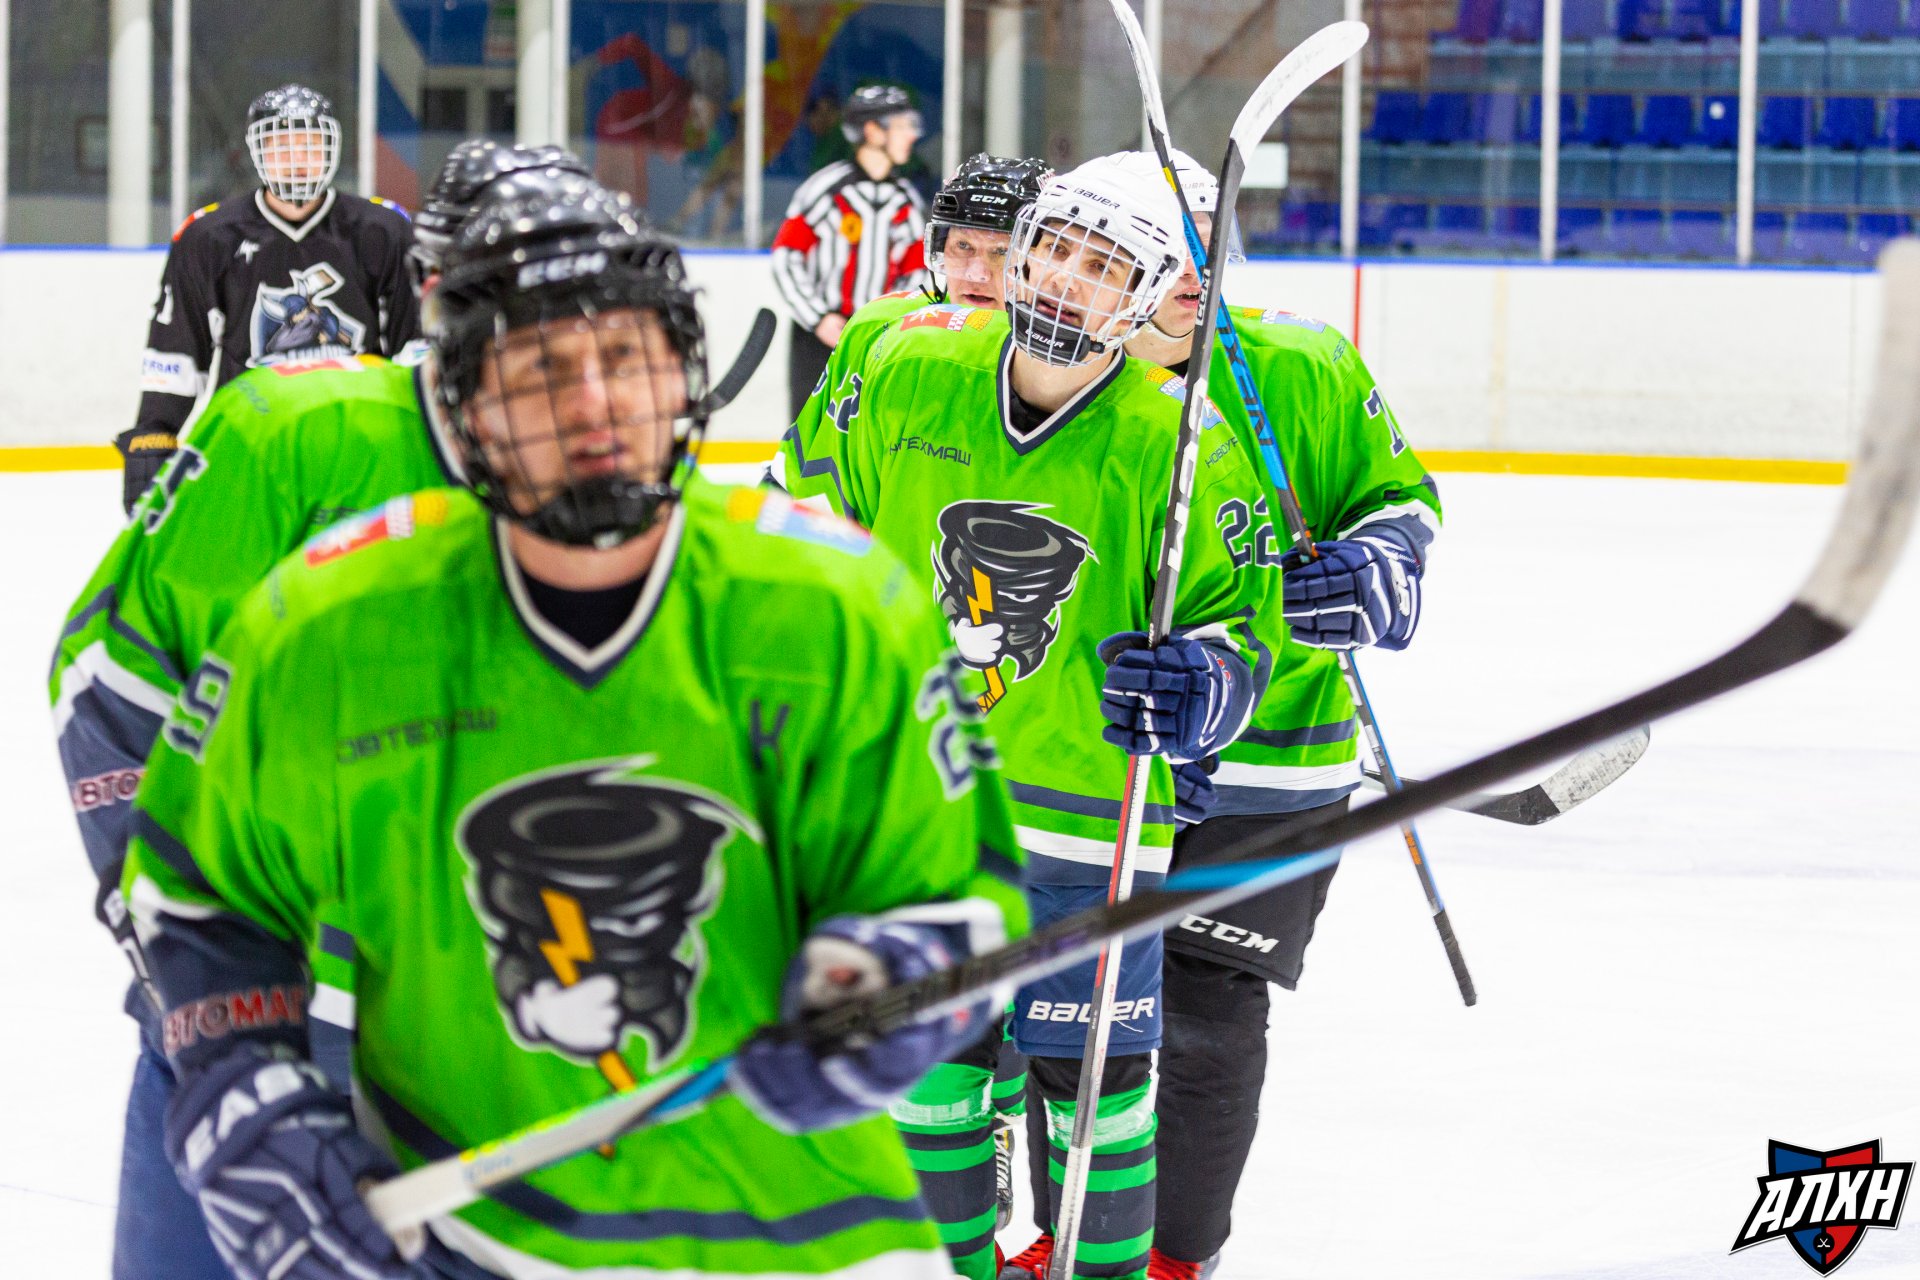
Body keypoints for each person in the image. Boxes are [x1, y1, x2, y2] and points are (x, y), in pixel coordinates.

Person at [117, 169, 1026, 1280]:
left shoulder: (840, 606)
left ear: (683, 372)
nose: (594, 404)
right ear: (465, 406)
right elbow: (201, 897)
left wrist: (892, 975)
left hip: (811, 1242)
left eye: (626, 358)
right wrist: (250, 1102)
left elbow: (953, 891)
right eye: (541, 370)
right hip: (473, 1238)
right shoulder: (329, 621)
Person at [49, 139, 587, 1280]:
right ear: (431, 287)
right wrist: (184, 942)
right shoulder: (292, 434)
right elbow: (113, 678)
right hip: (245, 1023)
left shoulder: (620, 487)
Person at [810, 153, 1277, 1280]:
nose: (1067, 279)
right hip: (921, 812)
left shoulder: (1181, 442)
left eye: (1102, 265)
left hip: (1087, 831)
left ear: (1145, 295)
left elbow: (1243, 630)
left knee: (1094, 1098)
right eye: (1055, 250)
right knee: (932, 1080)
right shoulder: (905, 364)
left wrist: (1200, 684)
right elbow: (809, 524)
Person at [1119, 151, 1441, 1280]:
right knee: (1070, 1022)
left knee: (1206, 1017)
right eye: (1166, 246)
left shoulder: (1300, 364)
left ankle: (1177, 1257)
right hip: (1099, 759)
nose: (1194, 269)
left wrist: (1371, 571)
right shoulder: (1063, 384)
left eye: (1209, 243)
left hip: (1276, 754)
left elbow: (1399, 501)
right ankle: (1067, 1241)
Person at [117, 84, 421, 515]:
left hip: (355, 438)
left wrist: (425, 435)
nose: (297, 161)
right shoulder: (210, 237)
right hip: (250, 438)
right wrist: (155, 432)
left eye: (309, 146)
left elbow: (416, 346)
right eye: (281, 147)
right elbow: (178, 347)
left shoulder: (383, 230)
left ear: (331, 149)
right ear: (257, 152)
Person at [768, 152, 1050, 510]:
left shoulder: (1066, 356)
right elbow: (801, 475)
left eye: (1002, 251)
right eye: (963, 246)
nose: (977, 274)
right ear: (940, 246)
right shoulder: (878, 328)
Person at [770, 83, 929, 419]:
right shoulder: (825, 190)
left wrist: (890, 322)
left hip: (878, 341)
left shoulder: (906, 201)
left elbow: (917, 271)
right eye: (902, 126)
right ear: (873, 131)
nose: (912, 135)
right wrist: (818, 318)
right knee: (809, 430)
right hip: (818, 339)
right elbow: (786, 256)